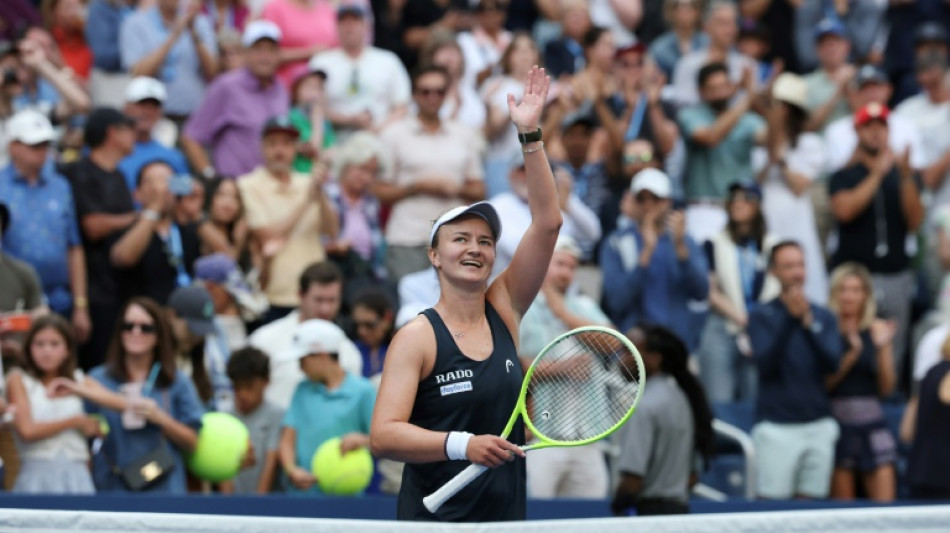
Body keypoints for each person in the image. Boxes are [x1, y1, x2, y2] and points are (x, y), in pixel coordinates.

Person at [371, 66, 561, 522]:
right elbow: (384, 435)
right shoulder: (417, 336)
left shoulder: (504, 307)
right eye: (460, 239)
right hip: (433, 523)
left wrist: (530, 136)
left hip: (505, 521)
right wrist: (464, 445)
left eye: (485, 241)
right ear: (434, 256)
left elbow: (548, 223)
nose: (475, 248)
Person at [51, 297, 205, 493]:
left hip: (164, 489)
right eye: (128, 326)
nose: (136, 332)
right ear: (119, 332)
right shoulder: (97, 379)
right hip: (112, 487)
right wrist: (87, 428)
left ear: (159, 335)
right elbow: (80, 433)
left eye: (146, 328)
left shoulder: (175, 380)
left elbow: (193, 442)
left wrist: (161, 419)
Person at [828, 103, 924, 384]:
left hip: (894, 274)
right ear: (857, 131)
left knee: (894, 345)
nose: (875, 132)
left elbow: (915, 221)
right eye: (868, 126)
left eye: (880, 126)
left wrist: (905, 177)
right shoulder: (844, 175)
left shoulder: (903, 174)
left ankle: (889, 398)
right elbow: (844, 211)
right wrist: (876, 175)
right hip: (855, 278)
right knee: (850, 340)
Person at [518, 235, 612, 499]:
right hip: (542, 434)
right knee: (536, 514)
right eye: (560, 264)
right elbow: (518, 366)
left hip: (588, 434)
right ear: (542, 264)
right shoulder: (524, 309)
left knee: (591, 516)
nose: (566, 273)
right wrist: (562, 368)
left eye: (572, 267)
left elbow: (613, 342)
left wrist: (562, 312)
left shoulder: (584, 306)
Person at [747, 241, 841, 500]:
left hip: (818, 425)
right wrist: (790, 319)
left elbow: (833, 364)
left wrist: (808, 326)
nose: (797, 272)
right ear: (773, 272)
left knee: (811, 511)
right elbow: (765, 364)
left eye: (800, 265)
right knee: (771, 511)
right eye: (788, 266)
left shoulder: (824, 316)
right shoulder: (761, 315)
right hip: (776, 427)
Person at [374, 65, 485, 283]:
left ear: (446, 94)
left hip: (454, 239)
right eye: (425, 92)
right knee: (408, 302)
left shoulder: (463, 134)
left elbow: (479, 188)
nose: (432, 97)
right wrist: (418, 187)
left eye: (439, 92)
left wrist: (456, 189)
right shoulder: (394, 134)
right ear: (414, 95)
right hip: (408, 236)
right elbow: (378, 190)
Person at [237, 116, 339, 320]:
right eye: (273, 144)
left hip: (315, 295)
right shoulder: (248, 184)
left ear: (295, 148)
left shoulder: (308, 182)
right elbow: (267, 235)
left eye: (286, 144)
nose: (280, 151)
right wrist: (307, 200)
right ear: (262, 147)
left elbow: (332, 231)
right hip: (275, 293)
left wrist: (319, 194)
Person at [0, 110, 89, 341]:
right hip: (14, 300)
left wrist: (80, 304)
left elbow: (74, 246)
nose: (42, 151)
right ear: (13, 146)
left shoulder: (60, 185)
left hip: (60, 297)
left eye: (45, 145)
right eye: (34, 145)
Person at [599, 168, 708, 350]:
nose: (648, 205)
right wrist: (646, 254)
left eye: (656, 198)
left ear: (668, 202)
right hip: (635, 348)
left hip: (677, 345)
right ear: (633, 201)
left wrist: (681, 249)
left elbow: (701, 292)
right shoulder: (616, 243)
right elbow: (616, 301)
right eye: (641, 198)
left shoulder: (685, 241)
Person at [612, 325, 714, 516]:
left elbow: (632, 481)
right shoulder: (684, 400)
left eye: (629, 351)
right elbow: (692, 478)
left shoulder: (644, 406)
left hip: (650, 515)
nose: (621, 359)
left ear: (655, 358)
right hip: (680, 513)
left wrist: (617, 506)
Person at [62, 107, 136, 370]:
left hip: (118, 288)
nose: (134, 135)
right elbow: (92, 226)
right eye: (128, 129)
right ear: (112, 133)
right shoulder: (78, 171)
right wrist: (138, 217)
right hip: (91, 291)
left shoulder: (119, 175)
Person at [698, 181, 780, 403]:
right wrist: (743, 319)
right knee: (718, 400)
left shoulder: (773, 245)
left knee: (755, 399)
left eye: (746, 198)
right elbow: (711, 291)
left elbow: (777, 289)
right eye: (733, 198)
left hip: (761, 329)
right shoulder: (714, 241)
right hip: (724, 325)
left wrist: (756, 323)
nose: (738, 203)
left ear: (758, 204)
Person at [825, 263, 897, 502]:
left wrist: (883, 348)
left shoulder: (876, 329)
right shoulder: (825, 329)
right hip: (837, 423)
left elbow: (887, 388)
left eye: (856, 290)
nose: (849, 296)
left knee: (885, 508)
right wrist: (851, 356)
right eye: (843, 289)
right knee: (843, 512)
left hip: (872, 422)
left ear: (866, 294)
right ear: (834, 293)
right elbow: (823, 385)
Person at [109, 160, 229, 305]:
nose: (162, 188)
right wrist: (154, 208)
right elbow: (123, 258)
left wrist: (195, 213)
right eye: (151, 181)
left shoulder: (187, 228)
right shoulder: (127, 227)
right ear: (137, 194)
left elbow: (226, 256)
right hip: (144, 313)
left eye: (168, 180)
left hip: (185, 312)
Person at [278, 318, 376, 495]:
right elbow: (287, 439)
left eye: (302, 360)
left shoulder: (364, 391)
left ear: (321, 355)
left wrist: (362, 440)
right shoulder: (301, 389)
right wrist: (292, 470)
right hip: (302, 496)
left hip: (347, 498)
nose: (300, 368)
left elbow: (384, 441)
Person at [181, 20, 289, 180]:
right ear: (246, 53)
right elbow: (191, 137)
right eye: (258, 49)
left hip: (271, 187)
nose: (265, 57)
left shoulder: (281, 89)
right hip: (236, 186)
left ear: (278, 54)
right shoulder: (227, 86)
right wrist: (211, 178)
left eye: (271, 50)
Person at [248, 261, 363, 410]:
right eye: (319, 300)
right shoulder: (264, 339)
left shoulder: (349, 352)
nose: (325, 309)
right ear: (301, 295)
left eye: (332, 300)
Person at [5, 315, 99, 493]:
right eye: (39, 344)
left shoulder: (79, 380)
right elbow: (27, 430)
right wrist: (75, 421)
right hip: (36, 474)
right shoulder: (19, 379)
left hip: (77, 475)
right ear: (28, 348)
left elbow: (114, 405)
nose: (47, 351)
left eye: (55, 344)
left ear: (68, 349)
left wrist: (97, 425)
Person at [758, 72, 828, 305]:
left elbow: (799, 187)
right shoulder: (759, 140)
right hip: (766, 214)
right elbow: (756, 181)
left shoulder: (810, 143)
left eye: (780, 106)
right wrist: (772, 152)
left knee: (802, 268)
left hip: (796, 215)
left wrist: (782, 161)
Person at [678, 61, 765, 242]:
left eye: (724, 86)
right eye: (713, 88)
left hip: (741, 209)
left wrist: (774, 103)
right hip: (704, 209)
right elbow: (711, 137)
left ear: (732, 86)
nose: (720, 93)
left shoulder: (748, 119)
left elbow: (771, 141)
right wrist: (747, 98)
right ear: (701, 91)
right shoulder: (690, 115)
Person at [308, 4, 410, 141]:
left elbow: (402, 106)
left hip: (382, 136)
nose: (349, 27)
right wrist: (349, 120)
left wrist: (379, 130)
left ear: (367, 26)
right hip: (335, 138)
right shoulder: (321, 62)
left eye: (355, 21)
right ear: (336, 27)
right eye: (344, 22)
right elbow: (310, 106)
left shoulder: (388, 60)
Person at [490, 156, 601, 274]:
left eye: (534, 169)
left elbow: (593, 233)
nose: (529, 175)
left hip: (559, 279)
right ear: (511, 175)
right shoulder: (499, 205)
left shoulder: (558, 202)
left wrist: (568, 203)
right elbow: (516, 249)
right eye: (522, 170)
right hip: (515, 280)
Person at [823, 66, 926, 175]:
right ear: (853, 93)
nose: (871, 94)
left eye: (876, 88)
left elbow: (918, 170)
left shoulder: (906, 125)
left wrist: (893, 156)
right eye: (864, 89)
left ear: (889, 89)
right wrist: (861, 154)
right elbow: (834, 177)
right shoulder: (836, 130)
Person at [481, 33, 541, 198]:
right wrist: (516, 110)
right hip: (502, 162)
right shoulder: (496, 85)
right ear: (508, 57)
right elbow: (493, 130)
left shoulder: (545, 86)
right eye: (518, 50)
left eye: (529, 49)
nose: (524, 55)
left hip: (536, 160)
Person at [221, 346, 283, 494]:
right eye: (237, 387)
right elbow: (224, 475)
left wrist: (257, 504)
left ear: (266, 381)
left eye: (249, 386)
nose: (242, 394)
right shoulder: (224, 417)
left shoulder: (278, 416)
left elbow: (271, 464)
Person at [671, 0, 755, 109]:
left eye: (733, 23)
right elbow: (683, 107)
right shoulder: (687, 64)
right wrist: (733, 89)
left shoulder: (747, 64)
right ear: (706, 27)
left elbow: (754, 105)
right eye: (722, 23)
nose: (729, 29)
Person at [117, 77, 190, 197]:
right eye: (141, 104)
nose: (147, 112)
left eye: (154, 106)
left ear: (160, 112)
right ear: (126, 107)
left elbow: (182, 196)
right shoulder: (108, 150)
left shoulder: (174, 157)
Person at [166, 285, 232, 412]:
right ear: (171, 316)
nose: (197, 337)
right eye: (191, 329)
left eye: (202, 331)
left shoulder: (203, 356)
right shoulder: (150, 354)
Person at [901, 333, 950, 500]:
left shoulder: (931, 371)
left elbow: (906, 432)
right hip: (942, 473)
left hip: (920, 469)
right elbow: (946, 395)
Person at [260, 0, 340, 88]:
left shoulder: (325, 8)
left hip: (327, 85)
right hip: (288, 86)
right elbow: (266, 54)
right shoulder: (274, 8)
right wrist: (309, 53)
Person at [802, 19, 855, 134]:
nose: (831, 46)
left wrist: (849, 90)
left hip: (853, 142)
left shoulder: (862, 77)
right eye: (824, 42)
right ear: (817, 49)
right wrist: (839, 92)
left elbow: (870, 116)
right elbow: (807, 126)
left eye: (836, 40)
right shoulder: (805, 83)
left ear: (847, 46)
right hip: (819, 142)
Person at [648, 0, 708, 80]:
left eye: (691, 7)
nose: (686, 12)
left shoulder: (708, 43)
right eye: (681, 7)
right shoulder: (659, 47)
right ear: (671, 12)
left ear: (698, 12)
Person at [350, 287, 395, 385]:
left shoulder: (398, 349)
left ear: (387, 319)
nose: (362, 331)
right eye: (357, 325)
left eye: (369, 325)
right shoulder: (351, 350)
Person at [542, 0, 591, 79]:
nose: (577, 20)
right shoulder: (554, 48)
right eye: (574, 16)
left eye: (582, 16)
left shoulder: (593, 47)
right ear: (563, 19)